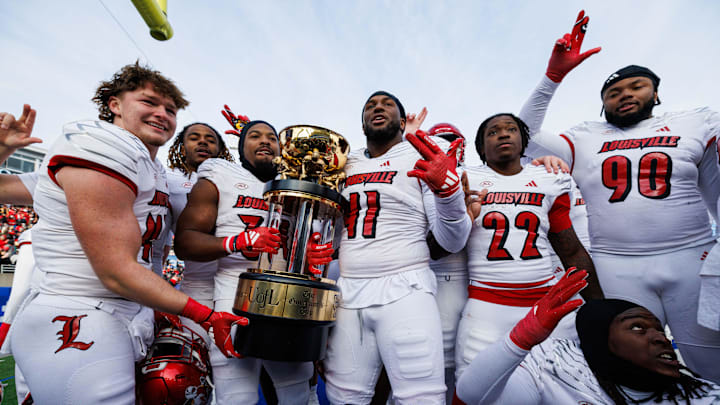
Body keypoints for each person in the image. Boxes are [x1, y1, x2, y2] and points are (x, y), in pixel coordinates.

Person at [0, 63, 250, 403]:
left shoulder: (155, 169)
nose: (162, 114)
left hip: (129, 309)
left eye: (170, 109)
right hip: (80, 310)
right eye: (149, 102)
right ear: (115, 104)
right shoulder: (99, 144)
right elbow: (116, 270)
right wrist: (202, 314)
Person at [519, 11, 720, 382]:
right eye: (613, 92)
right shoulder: (585, 135)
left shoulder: (696, 121)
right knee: (630, 367)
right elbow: (523, 136)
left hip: (692, 257)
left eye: (636, 86)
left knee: (710, 363)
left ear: (656, 93)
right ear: (603, 104)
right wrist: (553, 76)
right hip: (617, 263)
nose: (625, 95)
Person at [322, 91, 471, 404]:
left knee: (420, 398)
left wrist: (448, 195)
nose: (377, 107)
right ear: (362, 124)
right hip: (348, 292)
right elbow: (331, 233)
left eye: (387, 104)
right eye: (370, 105)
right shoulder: (345, 164)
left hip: (406, 287)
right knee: (343, 398)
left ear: (403, 122)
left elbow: (451, 240)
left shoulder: (421, 152)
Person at [174, 119, 330, 404]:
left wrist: (310, 257)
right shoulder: (220, 174)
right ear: (241, 147)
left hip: (286, 299)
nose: (265, 141)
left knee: (299, 395)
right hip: (234, 295)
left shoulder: (293, 186)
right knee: (235, 397)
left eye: (272, 137)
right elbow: (185, 242)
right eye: (255, 135)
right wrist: (238, 241)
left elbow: (300, 247)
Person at [454, 113, 603, 379]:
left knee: (562, 385)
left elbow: (570, 249)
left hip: (545, 302)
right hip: (486, 307)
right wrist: (454, 210)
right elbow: (445, 241)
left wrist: (600, 306)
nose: (503, 134)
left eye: (511, 129)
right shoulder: (465, 179)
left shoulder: (549, 178)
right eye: (493, 132)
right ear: (480, 148)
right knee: (476, 389)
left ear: (523, 141)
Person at [454, 274, 720, 404]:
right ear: (600, 342)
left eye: (659, 330)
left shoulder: (704, 395)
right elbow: (472, 395)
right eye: (638, 328)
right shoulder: (554, 364)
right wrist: (520, 339)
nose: (659, 338)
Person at [426, 122, 471, 403]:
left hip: (471, 285)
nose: (444, 145)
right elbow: (434, 246)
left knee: (464, 372)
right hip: (431, 280)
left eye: (450, 140)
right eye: (438, 140)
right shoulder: (417, 177)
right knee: (428, 370)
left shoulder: (478, 175)